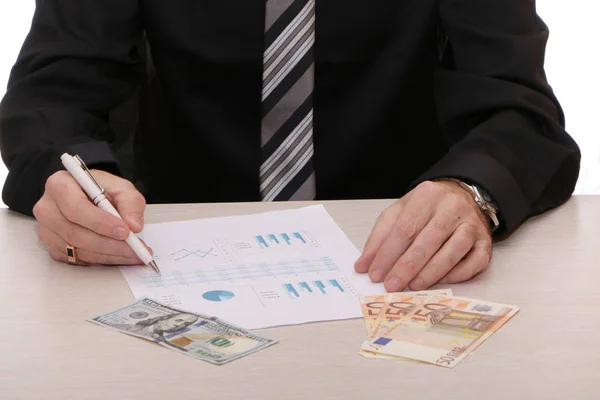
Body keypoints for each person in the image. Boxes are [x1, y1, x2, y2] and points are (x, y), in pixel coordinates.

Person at [0, 1, 581, 293]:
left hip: (393, 266)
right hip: (168, 263)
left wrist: (471, 191)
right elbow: (54, 91)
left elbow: (519, 109)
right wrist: (72, 180)